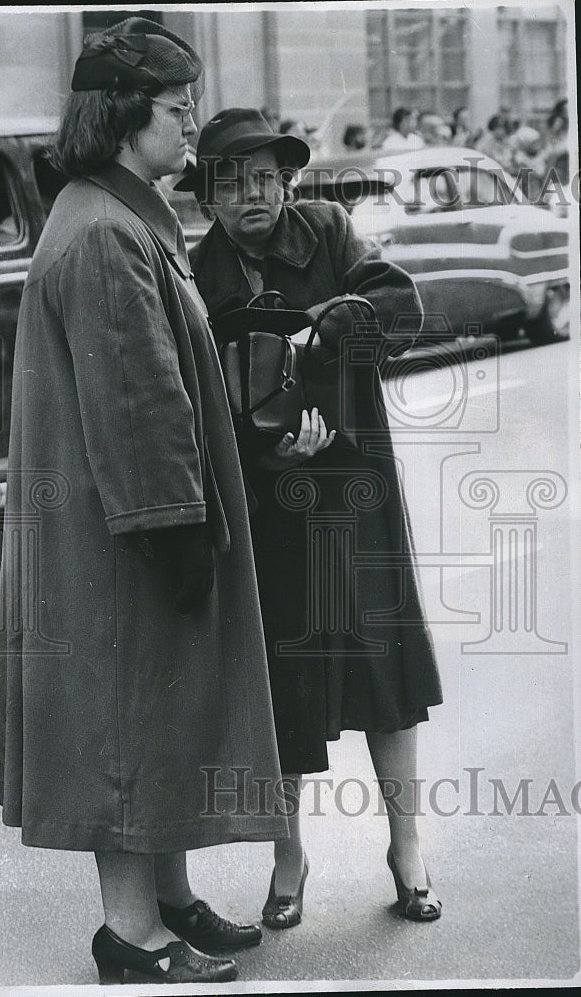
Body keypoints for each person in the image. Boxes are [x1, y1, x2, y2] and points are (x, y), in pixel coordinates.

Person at [0, 20, 288, 986]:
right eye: (178, 106)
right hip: (124, 530)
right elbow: (138, 406)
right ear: (124, 117)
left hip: (112, 523)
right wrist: (171, 528)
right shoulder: (107, 234)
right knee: (127, 722)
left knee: (156, 716)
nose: (193, 121)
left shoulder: (110, 214)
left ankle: (169, 897)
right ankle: (131, 934)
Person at [176, 108, 443, 929]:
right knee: (282, 695)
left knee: (385, 682)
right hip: (272, 512)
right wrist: (269, 456)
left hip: (354, 495)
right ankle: (287, 859)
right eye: (230, 181)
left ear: (287, 182)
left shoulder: (327, 229)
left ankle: (408, 851)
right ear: (208, 198)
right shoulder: (198, 272)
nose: (250, 194)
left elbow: (399, 305)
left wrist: (328, 324)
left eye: (263, 177)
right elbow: (199, 405)